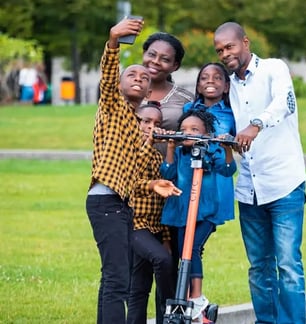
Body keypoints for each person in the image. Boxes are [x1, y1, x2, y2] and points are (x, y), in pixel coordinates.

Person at [85, 17, 181, 324]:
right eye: (132, 75)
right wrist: (113, 40)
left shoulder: (133, 125)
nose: (139, 78)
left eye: (144, 79)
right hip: (105, 202)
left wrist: (152, 185)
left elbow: (131, 178)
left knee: (112, 277)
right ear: (120, 84)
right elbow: (108, 74)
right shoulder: (112, 107)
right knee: (118, 280)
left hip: (121, 205)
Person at [214, 22, 306, 324]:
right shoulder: (228, 85)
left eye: (229, 46)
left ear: (245, 42)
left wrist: (255, 124)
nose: (225, 53)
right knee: (258, 266)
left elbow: (285, 103)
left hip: (284, 183)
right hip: (249, 189)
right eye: (219, 50)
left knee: (289, 264)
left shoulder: (273, 68)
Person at [160, 109, 237, 323]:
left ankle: (197, 296)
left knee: (191, 248)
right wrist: (170, 146)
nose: (188, 133)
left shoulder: (211, 151)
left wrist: (227, 149)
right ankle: (185, 298)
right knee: (184, 251)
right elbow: (167, 173)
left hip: (205, 213)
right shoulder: (178, 153)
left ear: (206, 133)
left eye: (195, 130)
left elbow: (229, 169)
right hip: (181, 213)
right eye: (184, 129)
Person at [142, 31, 194, 324]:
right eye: (151, 54)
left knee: (170, 261)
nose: (156, 62)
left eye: (165, 59)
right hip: (135, 187)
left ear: (174, 66)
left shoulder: (185, 99)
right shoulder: (130, 87)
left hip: (172, 186)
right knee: (136, 263)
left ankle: (169, 318)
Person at [127, 102, 175, 324]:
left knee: (140, 285)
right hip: (135, 225)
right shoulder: (126, 150)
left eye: (157, 123)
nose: (151, 127)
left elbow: (162, 199)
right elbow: (134, 177)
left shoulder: (157, 157)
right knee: (162, 261)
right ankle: (168, 315)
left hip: (155, 227)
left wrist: (165, 237)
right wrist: (150, 142)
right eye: (146, 121)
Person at [183, 62, 236, 223]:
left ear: (226, 87)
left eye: (217, 78)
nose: (210, 81)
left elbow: (237, 142)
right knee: (188, 223)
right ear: (198, 86)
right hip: (190, 173)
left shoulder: (232, 113)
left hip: (217, 175)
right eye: (204, 78)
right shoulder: (188, 109)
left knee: (207, 221)